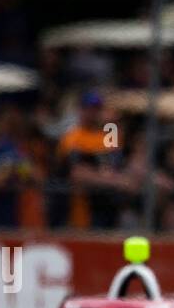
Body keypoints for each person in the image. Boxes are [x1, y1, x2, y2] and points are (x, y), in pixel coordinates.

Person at [55, 91, 135, 229]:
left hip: (112, 208)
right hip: (82, 208)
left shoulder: (110, 135)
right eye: (88, 108)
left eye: (97, 108)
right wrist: (115, 182)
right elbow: (77, 173)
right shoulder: (73, 137)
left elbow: (117, 165)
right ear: (80, 110)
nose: (93, 113)